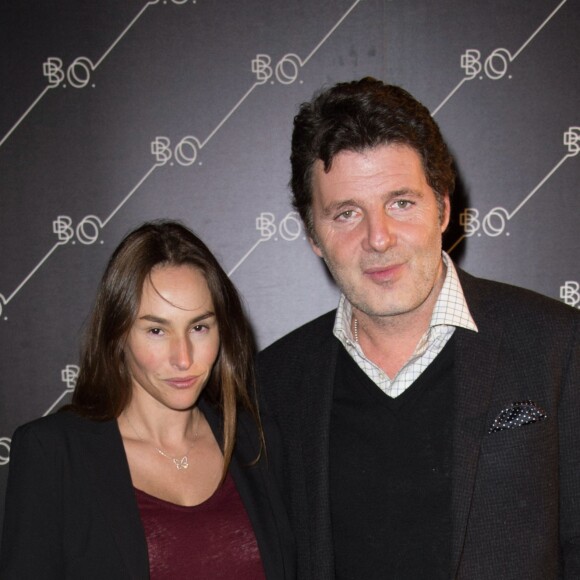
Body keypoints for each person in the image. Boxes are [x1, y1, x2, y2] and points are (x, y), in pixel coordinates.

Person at [257, 77, 580, 579]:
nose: (378, 238)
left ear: (444, 209)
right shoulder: (274, 381)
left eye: (401, 203)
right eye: (346, 214)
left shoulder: (558, 346)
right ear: (314, 236)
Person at [0, 220, 295, 579]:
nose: (183, 357)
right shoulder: (54, 453)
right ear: (117, 334)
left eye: (199, 327)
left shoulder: (256, 442)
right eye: (157, 330)